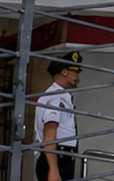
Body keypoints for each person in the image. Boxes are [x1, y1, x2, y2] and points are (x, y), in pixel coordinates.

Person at [36, 51, 83, 181]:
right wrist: (53, 169)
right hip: (57, 158)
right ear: (64, 72)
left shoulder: (60, 96)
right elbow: (50, 135)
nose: (78, 77)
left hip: (61, 157)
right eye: (75, 72)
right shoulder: (56, 98)